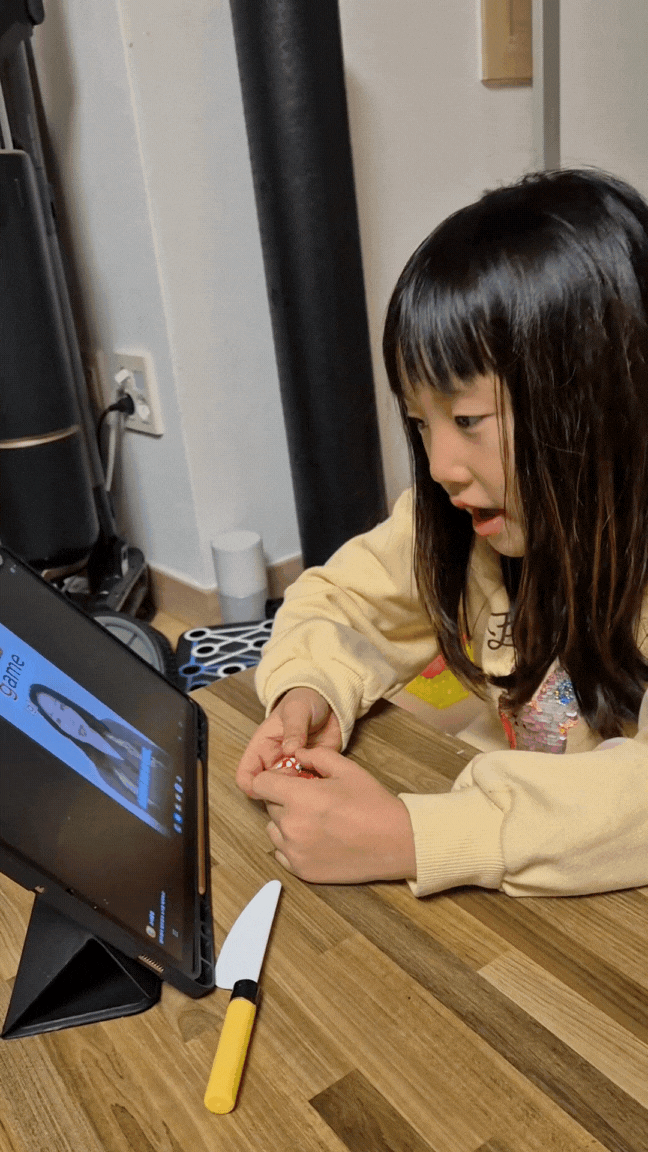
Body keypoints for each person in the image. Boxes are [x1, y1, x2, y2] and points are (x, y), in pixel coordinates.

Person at [236, 168, 648, 898]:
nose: (439, 467)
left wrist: (413, 836)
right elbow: (340, 599)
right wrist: (309, 689)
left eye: (467, 420)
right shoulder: (465, 521)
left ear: (594, 403)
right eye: (421, 424)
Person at [29, 684, 172, 820]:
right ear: (61, 730)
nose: (69, 721)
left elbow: (158, 753)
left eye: (62, 707)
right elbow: (150, 811)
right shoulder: (103, 771)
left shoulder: (110, 726)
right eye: (59, 720)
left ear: (71, 706)